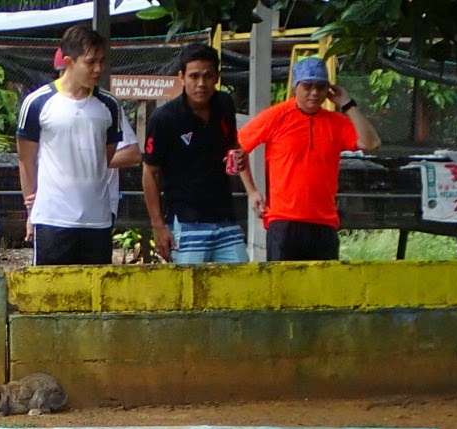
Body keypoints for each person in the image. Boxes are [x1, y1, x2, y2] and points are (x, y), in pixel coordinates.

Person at [16, 25, 141, 266]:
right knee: (50, 293)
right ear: (69, 62)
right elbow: (26, 159)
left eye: (102, 61)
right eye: (90, 62)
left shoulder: (109, 105)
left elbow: (104, 156)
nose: (98, 69)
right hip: (53, 219)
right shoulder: (38, 102)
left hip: (98, 220)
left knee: (94, 297)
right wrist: (31, 207)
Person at [237, 56, 380, 262]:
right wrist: (251, 191)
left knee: (321, 291)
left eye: (321, 87)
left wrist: (347, 104)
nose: (314, 92)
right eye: (308, 86)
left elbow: (371, 143)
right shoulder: (276, 116)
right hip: (283, 221)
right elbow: (238, 147)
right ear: (296, 87)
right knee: (284, 289)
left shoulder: (336, 122)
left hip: (324, 222)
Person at [141, 43, 262, 264]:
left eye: (207, 76)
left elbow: (234, 147)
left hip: (225, 217)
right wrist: (158, 226)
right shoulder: (164, 119)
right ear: (182, 77)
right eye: (194, 76)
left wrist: (251, 189)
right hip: (186, 222)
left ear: (216, 77)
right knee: (189, 292)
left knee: (241, 286)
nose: (201, 84)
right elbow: (150, 172)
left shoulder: (224, 104)